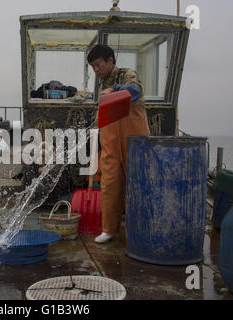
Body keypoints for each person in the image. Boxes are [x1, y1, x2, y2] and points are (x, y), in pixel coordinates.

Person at [87, 44, 150, 243]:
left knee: (138, 182)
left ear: (110, 60)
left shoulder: (126, 74)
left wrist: (114, 89)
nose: (96, 70)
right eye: (93, 67)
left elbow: (135, 90)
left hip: (134, 138)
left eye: (98, 65)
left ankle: (141, 228)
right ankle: (109, 229)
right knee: (110, 182)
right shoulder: (100, 84)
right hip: (111, 140)